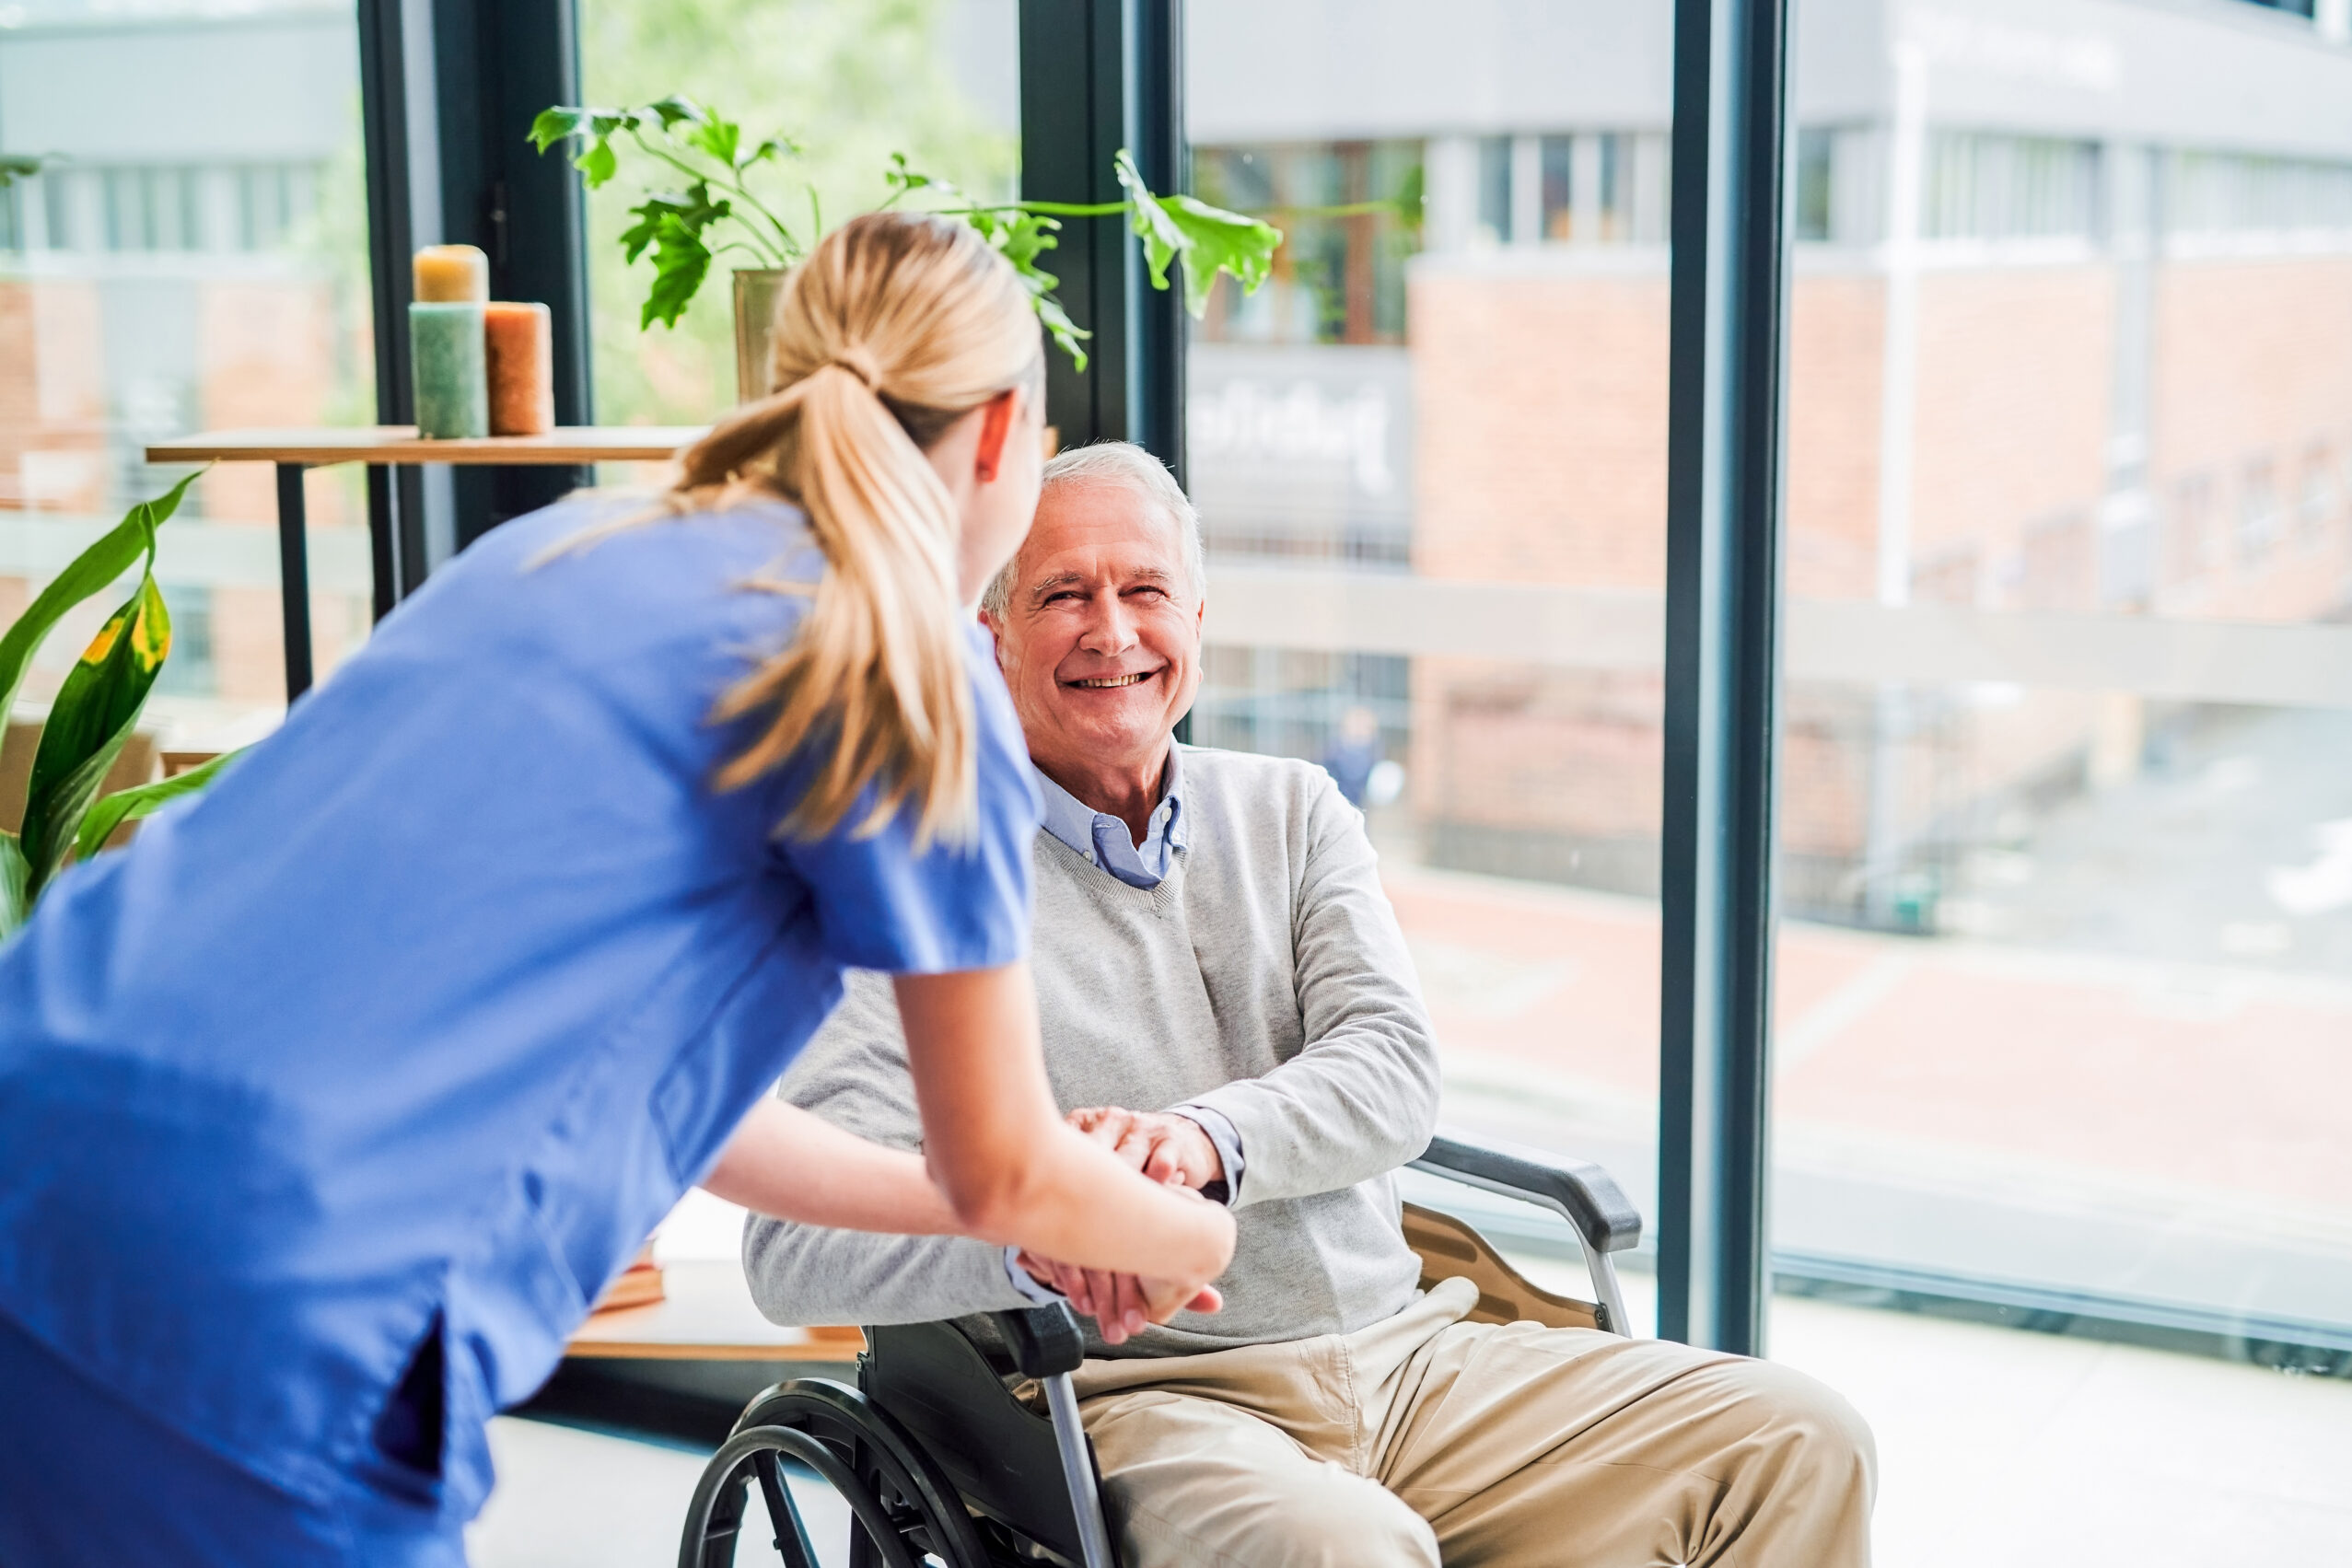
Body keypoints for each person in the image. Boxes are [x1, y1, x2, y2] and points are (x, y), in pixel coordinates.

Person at [0, 217, 1232, 1568]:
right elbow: (1002, 1157)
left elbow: (692, 1109)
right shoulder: (909, 670)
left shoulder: (574, 548)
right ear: (1002, 435)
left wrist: (1002, 1212)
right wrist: (1183, 1222)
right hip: (256, 1293)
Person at [746, 440, 1877, 1567]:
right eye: (1061, 595)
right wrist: (1045, 1235)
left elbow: (1391, 1068)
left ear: (1197, 615)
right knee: (1344, 1548)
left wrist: (1201, 1140)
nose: (1112, 630)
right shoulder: (904, 878)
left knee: (1802, 1437)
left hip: (1412, 1356)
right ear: (990, 638)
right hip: (1137, 1397)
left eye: (1144, 589)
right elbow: (793, 1250)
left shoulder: (1293, 811)